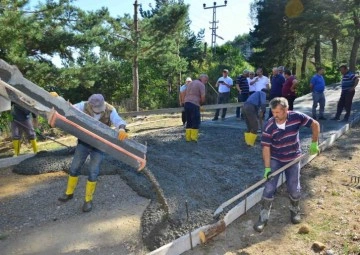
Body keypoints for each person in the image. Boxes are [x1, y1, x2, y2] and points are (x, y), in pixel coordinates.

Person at [253, 97, 320, 232]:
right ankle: (263, 216)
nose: (275, 115)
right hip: (276, 158)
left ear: (286, 110)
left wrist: (314, 142)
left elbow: (315, 124)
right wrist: (267, 168)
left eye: (278, 112)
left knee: (294, 188)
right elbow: (266, 148)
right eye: (273, 112)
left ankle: (295, 210)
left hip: (293, 157)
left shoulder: (296, 117)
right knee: (269, 187)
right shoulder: (269, 125)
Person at [58, 94, 128, 212]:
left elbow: (118, 121)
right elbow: (68, 108)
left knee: (93, 171)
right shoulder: (83, 105)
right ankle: (69, 193)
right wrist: (58, 100)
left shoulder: (110, 109)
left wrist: (121, 128)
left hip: (100, 145)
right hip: (84, 142)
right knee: (74, 167)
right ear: (90, 104)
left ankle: (88, 200)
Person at [183, 74, 207, 142]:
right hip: (194, 104)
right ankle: (194, 138)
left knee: (189, 121)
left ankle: (188, 138)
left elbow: (184, 92)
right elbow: (203, 96)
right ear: (202, 79)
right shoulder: (201, 85)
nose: (206, 82)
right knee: (195, 121)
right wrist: (202, 103)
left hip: (186, 103)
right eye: (205, 80)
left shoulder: (191, 83)